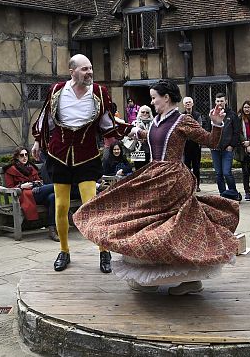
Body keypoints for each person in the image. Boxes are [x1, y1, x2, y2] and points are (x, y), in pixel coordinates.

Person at [73, 80, 239, 295]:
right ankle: (149, 275)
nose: (151, 102)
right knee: (139, 219)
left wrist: (216, 123)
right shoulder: (155, 121)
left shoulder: (182, 120)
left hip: (173, 180)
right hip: (154, 174)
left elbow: (212, 142)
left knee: (171, 228)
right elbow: (153, 139)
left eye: (154, 98)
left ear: (166, 98)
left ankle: (188, 279)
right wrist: (134, 132)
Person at [31, 54, 133, 273]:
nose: (90, 73)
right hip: (59, 155)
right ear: (72, 71)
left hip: (86, 156)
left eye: (91, 69)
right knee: (61, 206)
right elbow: (46, 118)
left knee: (91, 205)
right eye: (85, 69)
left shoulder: (99, 92)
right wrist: (38, 141)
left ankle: (103, 250)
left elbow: (108, 123)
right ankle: (64, 250)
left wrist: (132, 131)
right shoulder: (57, 90)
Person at [3, 147, 58, 241]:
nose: (24, 157)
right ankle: (67, 208)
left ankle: (52, 230)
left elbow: (39, 179)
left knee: (52, 197)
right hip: (25, 196)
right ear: (17, 157)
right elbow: (9, 187)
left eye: (26, 155)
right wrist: (21, 186)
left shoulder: (31, 167)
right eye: (21, 155)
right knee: (57, 186)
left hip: (37, 192)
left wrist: (38, 183)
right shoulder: (11, 169)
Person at [209, 92, 241, 200]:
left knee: (227, 173)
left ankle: (233, 193)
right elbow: (207, 130)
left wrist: (232, 145)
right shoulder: (211, 114)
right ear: (215, 102)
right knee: (218, 174)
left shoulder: (232, 115)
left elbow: (237, 132)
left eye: (222, 101)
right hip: (215, 149)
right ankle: (223, 195)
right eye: (218, 101)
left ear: (226, 101)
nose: (219, 103)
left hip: (227, 148)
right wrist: (210, 143)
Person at [182, 97, 205, 191]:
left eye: (189, 102)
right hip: (185, 145)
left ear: (192, 104)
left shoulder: (197, 115)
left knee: (196, 166)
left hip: (195, 144)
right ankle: (188, 185)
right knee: (186, 166)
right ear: (184, 105)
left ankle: (197, 185)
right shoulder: (181, 116)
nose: (188, 104)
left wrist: (189, 130)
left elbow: (199, 128)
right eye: (186, 103)